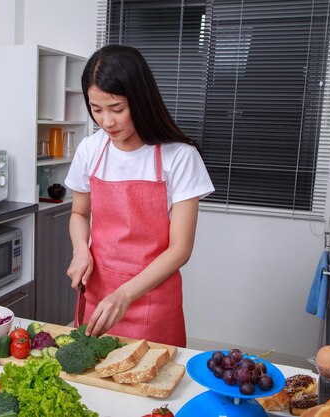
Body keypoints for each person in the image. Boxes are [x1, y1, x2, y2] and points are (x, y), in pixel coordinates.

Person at [64, 45, 214, 347]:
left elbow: (180, 249)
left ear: (141, 100)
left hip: (151, 302)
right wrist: (81, 249)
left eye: (117, 108)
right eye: (96, 109)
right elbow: (79, 214)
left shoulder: (180, 157)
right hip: (98, 296)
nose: (107, 121)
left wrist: (125, 295)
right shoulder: (90, 150)